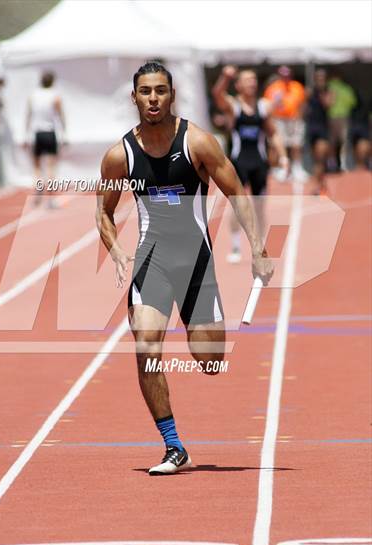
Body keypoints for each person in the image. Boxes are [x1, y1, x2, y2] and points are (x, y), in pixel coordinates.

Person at [96, 61, 273, 475]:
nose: (153, 98)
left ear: (171, 95)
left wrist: (258, 249)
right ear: (134, 97)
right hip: (151, 263)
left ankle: (198, 324)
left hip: (196, 263)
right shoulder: (118, 155)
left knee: (210, 359)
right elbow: (103, 213)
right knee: (146, 348)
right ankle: (174, 446)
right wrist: (118, 251)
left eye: (160, 91)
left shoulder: (198, 142)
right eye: (145, 91)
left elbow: (237, 194)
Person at [211, 65, 288, 262]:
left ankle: (259, 246)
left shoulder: (264, 107)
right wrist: (225, 77)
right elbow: (217, 94)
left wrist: (283, 156)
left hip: (260, 163)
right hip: (239, 163)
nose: (252, 83)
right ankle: (236, 246)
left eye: (254, 80)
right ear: (238, 85)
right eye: (247, 80)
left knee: (260, 206)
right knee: (239, 206)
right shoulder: (233, 106)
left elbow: (273, 133)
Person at [25, 71, 66, 207]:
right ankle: (50, 199)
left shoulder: (33, 96)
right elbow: (61, 116)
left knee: (37, 167)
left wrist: (26, 134)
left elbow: (28, 116)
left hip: (37, 133)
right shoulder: (55, 96)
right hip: (50, 132)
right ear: (52, 82)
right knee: (50, 167)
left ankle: (38, 190)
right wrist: (64, 133)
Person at [264, 65, 307, 181]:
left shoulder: (297, 86)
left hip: (294, 119)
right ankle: (278, 168)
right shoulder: (273, 88)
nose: (285, 77)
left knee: (296, 144)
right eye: (283, 75)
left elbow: (303, 103)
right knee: (277, 145)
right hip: (279, 119)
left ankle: (297, 168)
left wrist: (300, 116)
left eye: (287, 75)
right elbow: (267, 105)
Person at [305, 68, 333, 195]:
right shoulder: (310, 92)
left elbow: (328, 104)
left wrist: (321, 92)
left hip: (322, 128)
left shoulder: (328, 92)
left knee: (321, 157)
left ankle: (318, 186)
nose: (320, 80)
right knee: (315, 158)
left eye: (322, 78)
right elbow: (304, 109)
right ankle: (321, 184)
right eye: (318, 78)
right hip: (311, 128)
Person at [327, 73, 356, 172]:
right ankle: (342, 163)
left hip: (331, 117)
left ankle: (332, 163)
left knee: (332, 141)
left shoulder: (329, 86)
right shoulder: (346, 88)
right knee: (343, 141)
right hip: (343, 117)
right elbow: (353, 102)